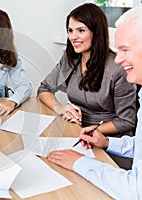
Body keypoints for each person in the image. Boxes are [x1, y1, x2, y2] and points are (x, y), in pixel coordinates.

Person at [47, 5, 142, 199]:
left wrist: (80, 161)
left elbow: (135, 190)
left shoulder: (116, 70)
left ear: (95, 32)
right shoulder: (70, 61)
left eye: (81, 30)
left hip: (104, 144)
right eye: (70, 31)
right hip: (89, 137)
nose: (74, 36)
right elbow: (138, 145)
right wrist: (106, 142)